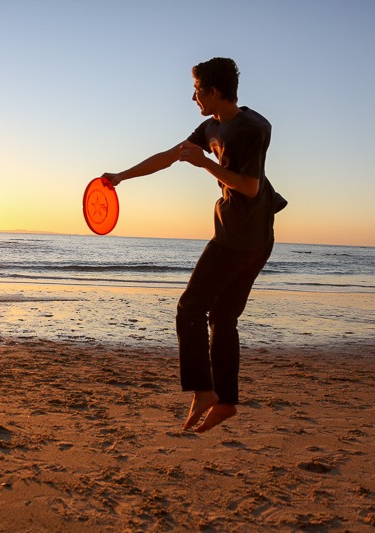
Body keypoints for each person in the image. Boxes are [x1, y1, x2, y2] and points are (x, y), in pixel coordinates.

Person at [100, 58, 286, 432]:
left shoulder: (252, 127)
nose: (193, 96)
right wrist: (121, 176)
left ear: (214, 92)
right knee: (222, 317)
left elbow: (249, 187)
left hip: (238, 235)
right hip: (258, 238)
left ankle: (203, 390)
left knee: (189, 308)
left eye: (197, 89)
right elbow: (171, 157)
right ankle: (226, 400)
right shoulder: (211, 126)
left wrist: (205, 165)